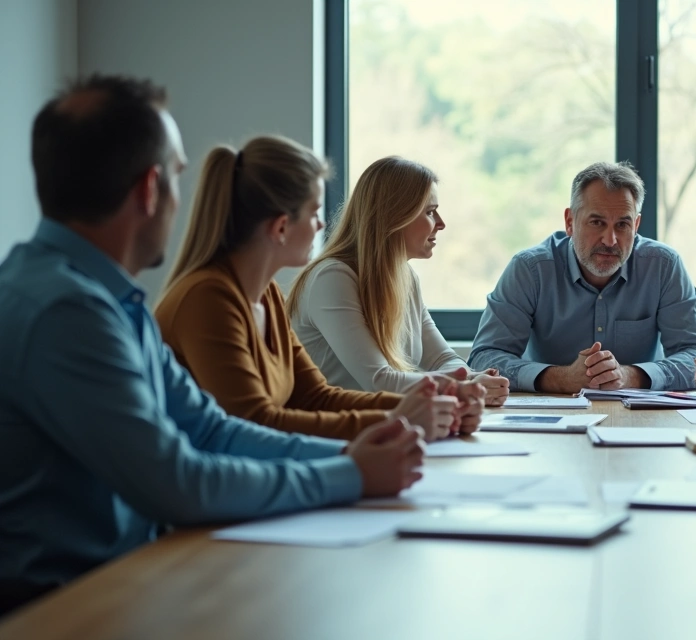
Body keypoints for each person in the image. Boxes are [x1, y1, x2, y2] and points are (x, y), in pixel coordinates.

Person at [0, 75, 424, 616]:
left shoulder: (98, 298)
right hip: (65, 605)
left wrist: (355, 455)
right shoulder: (68, 312)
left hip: (125, 577)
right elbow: (176, 480)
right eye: (177, 178)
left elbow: (209, 428)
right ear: (150, 190)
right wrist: (352, 473)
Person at [155, 137, 481, 442]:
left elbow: (315, 396)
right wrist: (400, 420)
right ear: (281, 226)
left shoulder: (265, 295)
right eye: (313, 213)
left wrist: (423, 408)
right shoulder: (208, 299)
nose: (322, 225)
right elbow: (256, 424)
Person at [468, 161, 696, 393]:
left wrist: (629, 376)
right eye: (597, 222)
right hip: (550, 416)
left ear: (636, 226)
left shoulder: (663, 266)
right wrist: (562, 379)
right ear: (570, 222)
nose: (610, 240)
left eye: (622, 225)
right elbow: (484, 357)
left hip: (639, 415)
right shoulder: (530, 269)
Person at [289, 157, 509, 406]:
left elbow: (442, 359)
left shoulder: (406, 277)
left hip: (378, 426)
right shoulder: (331, 278)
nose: (441, 223)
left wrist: (472, 377)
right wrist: (462, 384)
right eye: (429, 212)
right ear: (393, 216)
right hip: (332, 434)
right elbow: (380, 381)